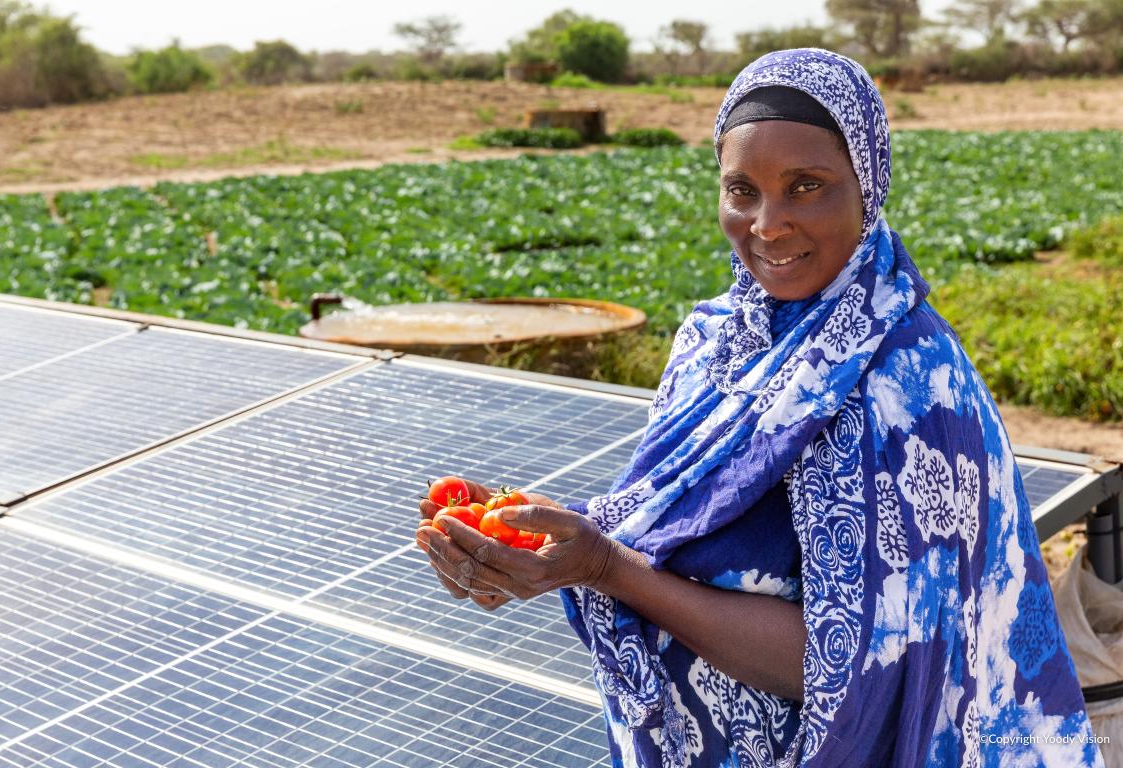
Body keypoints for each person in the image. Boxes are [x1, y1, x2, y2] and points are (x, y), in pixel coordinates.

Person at [415, 48, 1104, 767]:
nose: (768, 224)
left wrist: (603, 569)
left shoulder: (911, 386)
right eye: (742, 189)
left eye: (807, 186)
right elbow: (666, 531)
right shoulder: (712, 340)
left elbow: (845, 666)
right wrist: (541, 553)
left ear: (868, 188)